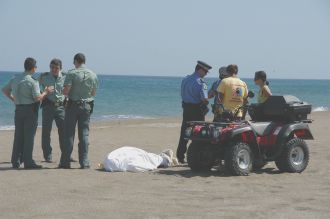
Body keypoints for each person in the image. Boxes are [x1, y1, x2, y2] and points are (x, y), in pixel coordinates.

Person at [2, 57, 54, 169]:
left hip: (19, 109)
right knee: (29, 137)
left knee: (18, 136)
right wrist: (46, 92)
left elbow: (5, 90)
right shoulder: (32, 81)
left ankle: (15, 161)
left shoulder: (15, 78)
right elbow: (37, 98)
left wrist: (14, 100)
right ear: (33, 68)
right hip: (30, 110)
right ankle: (28, 161)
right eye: (36, 67)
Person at [59, 53, 99, 169]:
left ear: (76, 61)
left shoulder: (72, 73)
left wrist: (61, 91)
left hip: (73, 106)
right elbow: (93, 93)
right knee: (84, 134)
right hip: (87, 106)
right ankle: (84, 162)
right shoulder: (93, 74)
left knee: (69, 134)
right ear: (84, 61)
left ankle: (65, 162)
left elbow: (66, 91)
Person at [39, 58, 75, 163]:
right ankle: (47, 156)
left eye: (56, 68)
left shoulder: (65, 76)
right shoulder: (44, 76)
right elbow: (35, 87)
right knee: (46, 133)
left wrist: (68, 99)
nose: (54, 69)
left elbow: (70, 89)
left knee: (64, 132)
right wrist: (43, 93)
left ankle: (66, 155)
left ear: (61, 68)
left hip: (61, 107)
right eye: (52, 67)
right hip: (48, 107)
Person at [176, 61, 212, 163]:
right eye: (205, 71)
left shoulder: (185, 79)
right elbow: (204, 99)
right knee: (198, 133)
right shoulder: (200, 82)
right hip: (197, 109)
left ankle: (180, 156)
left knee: (184, 132)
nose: (205, 74)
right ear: (199, 70)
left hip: (186, 108)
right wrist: (207, 100)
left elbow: (182, 93)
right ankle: (196, 155)